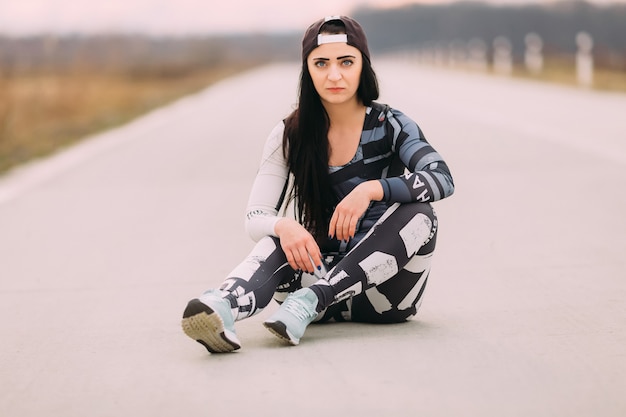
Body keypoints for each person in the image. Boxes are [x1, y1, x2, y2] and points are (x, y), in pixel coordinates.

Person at [181, 15, 455, 353]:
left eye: (346, 62)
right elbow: (255, 215)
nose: (334, 74)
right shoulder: (289, 134)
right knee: (281, 236)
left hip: (387, 297)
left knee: (421, 214)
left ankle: (313, 300)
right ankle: (223, 308)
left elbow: (441, 177)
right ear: (308, 70)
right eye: (321, 63)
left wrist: (371, 189)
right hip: (309, 286)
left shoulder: (392, 125)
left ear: (362, 67)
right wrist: (285, 226)